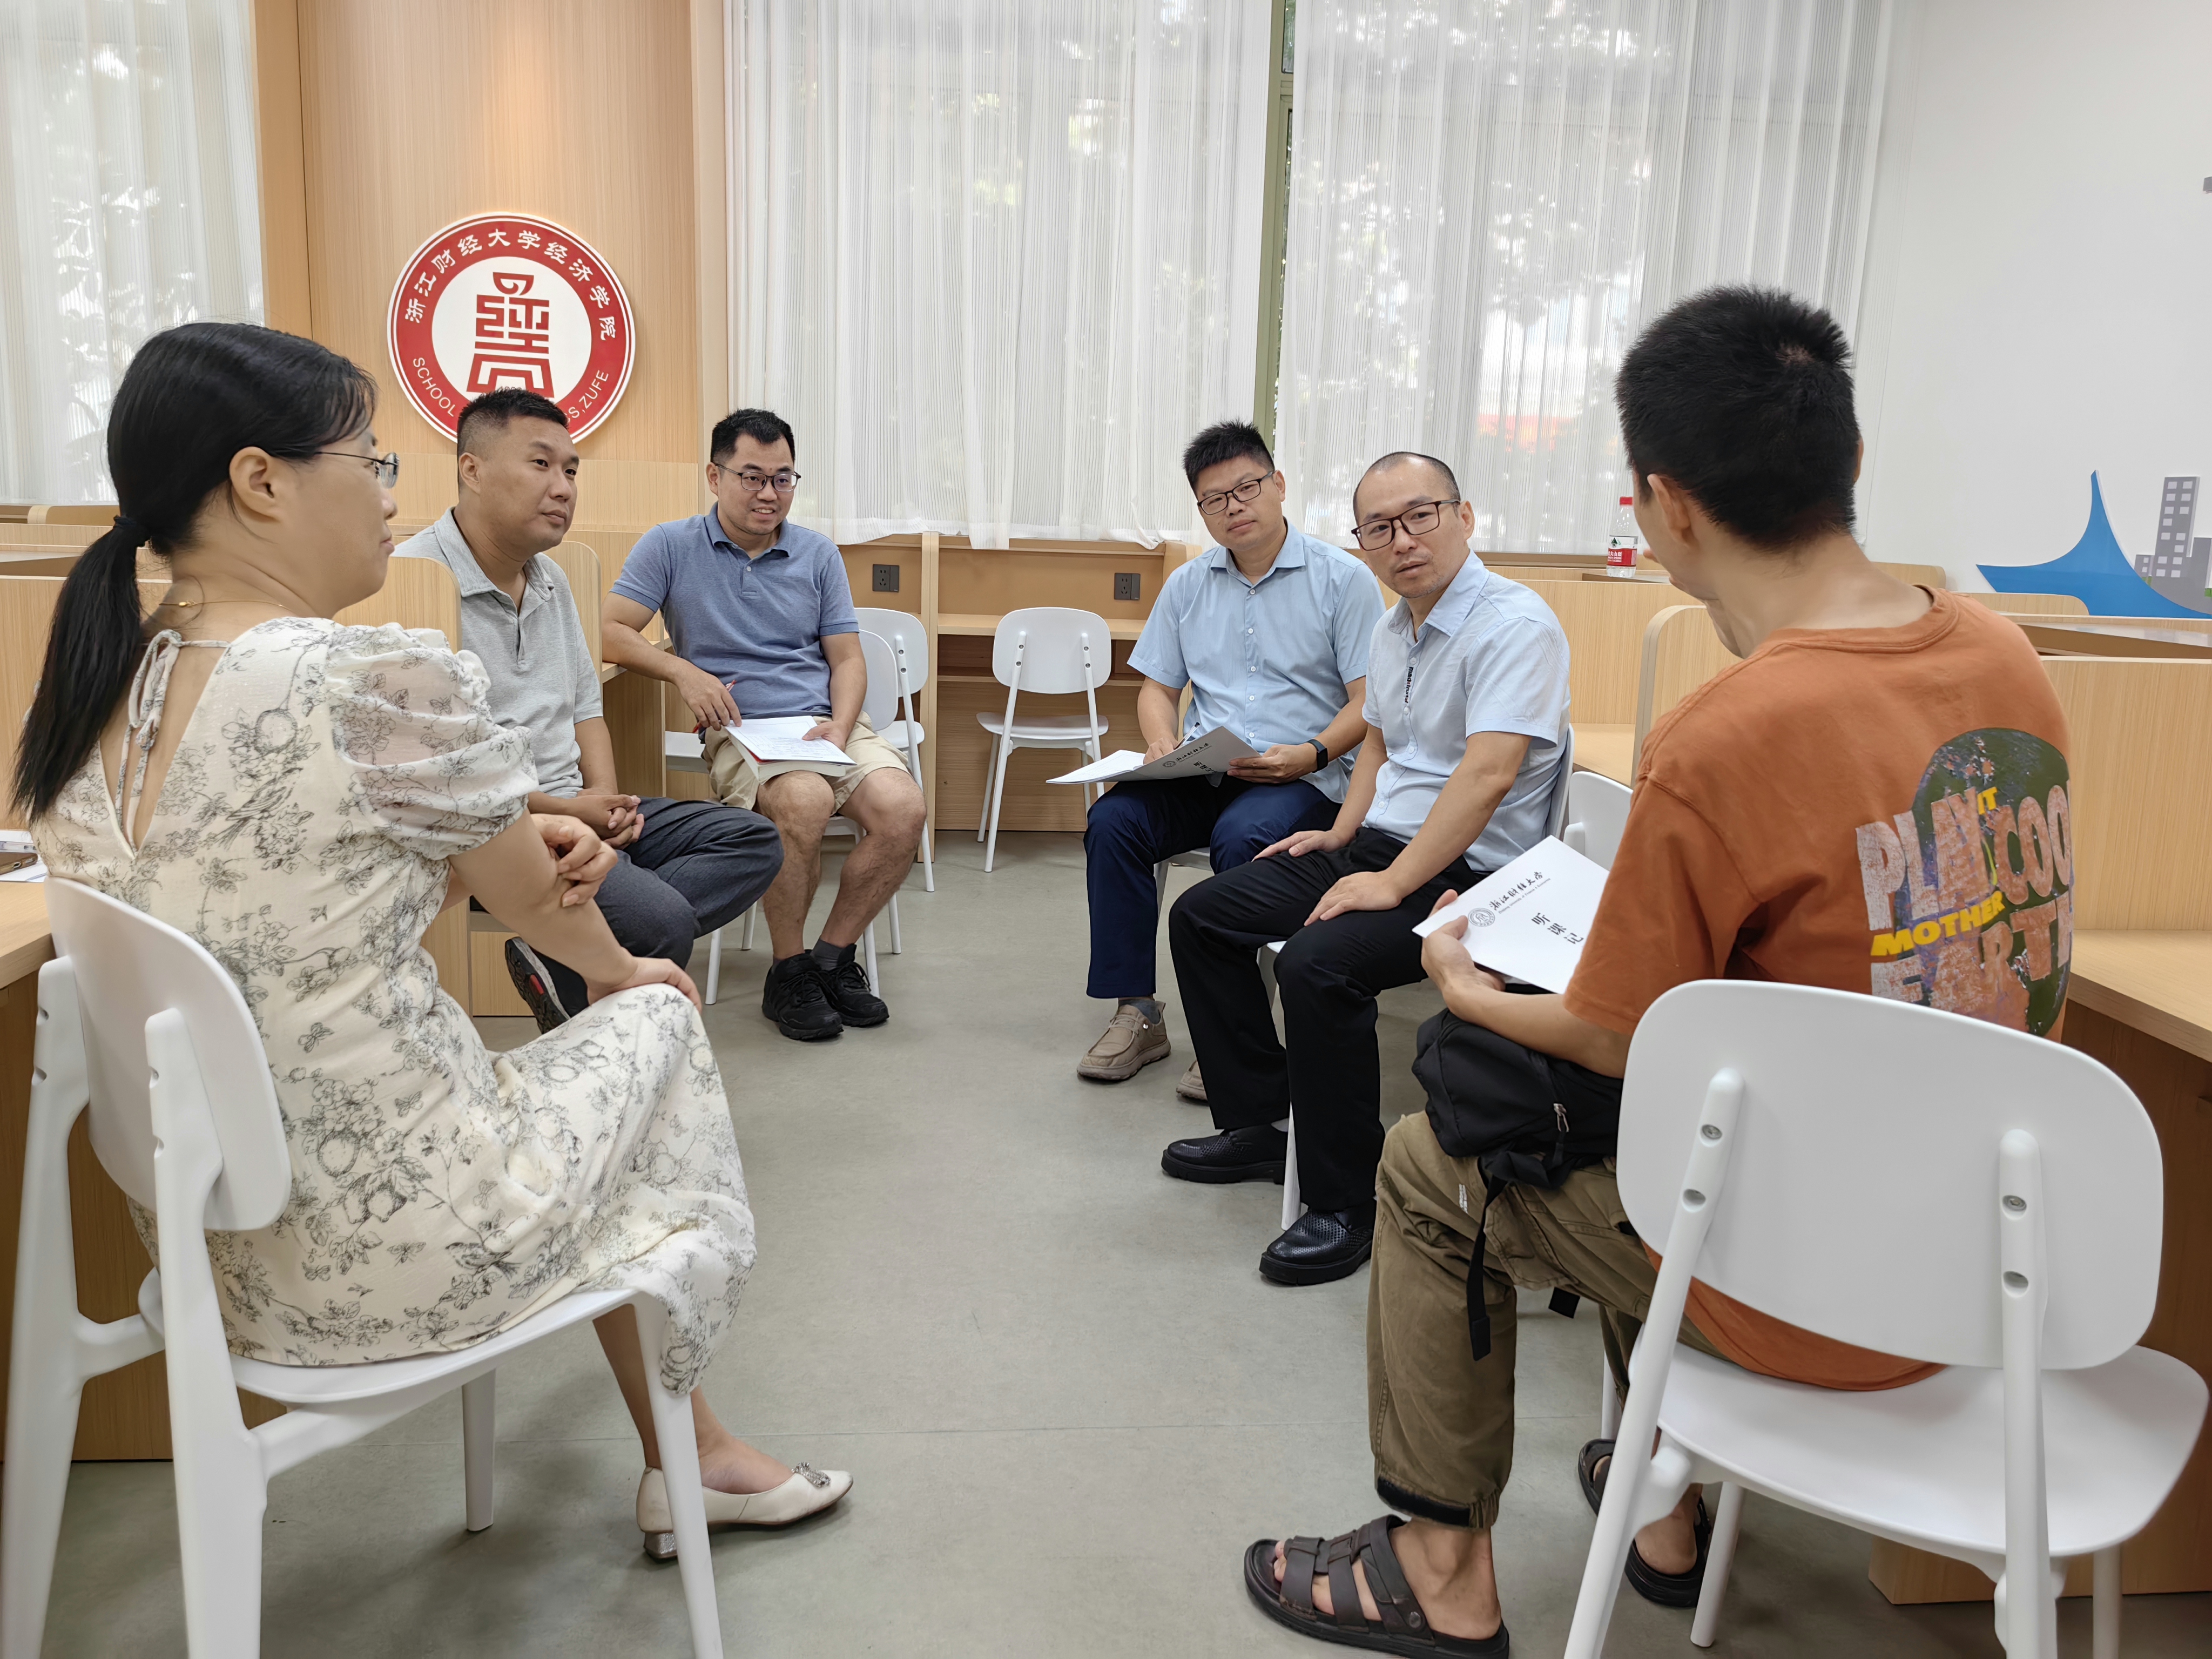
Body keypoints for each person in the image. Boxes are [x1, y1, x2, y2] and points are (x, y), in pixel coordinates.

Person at [1241, 287, 2074, 1655]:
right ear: (1850, 458)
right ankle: (1662, 1512)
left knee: (1432, 1165)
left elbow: (1619, 1035)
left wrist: (1468, 990)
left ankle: (1440, 1569)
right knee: (1663, 1131)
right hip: (2000, 1257)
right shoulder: (2003, 653)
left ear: (1665, 505)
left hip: (1818, 1289)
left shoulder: (1729, 730)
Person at [18, 322, 849, 1561]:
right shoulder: (370, 673)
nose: (385, 496)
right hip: (407, 1248)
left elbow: (311, 882)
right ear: (260, 482)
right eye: (371, 461)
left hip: (215, 1259)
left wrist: (503, 848)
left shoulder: (100, 686)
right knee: (655, 1012)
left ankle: (698, 1446)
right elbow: (545, 906)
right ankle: (694, 1455)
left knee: (602, 1028)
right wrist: (614, 958)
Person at [1163, 454, 1570, 1287]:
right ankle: (1257, 1124)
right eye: (1380, 527)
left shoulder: (1515, 625)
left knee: (1318, 966)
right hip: (1382, 846)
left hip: (1474, 877)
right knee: (1203, 916)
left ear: (1464, 516)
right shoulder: (1394, 628)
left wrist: (1391, 883)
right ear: (1363, 542)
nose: (1403, 540)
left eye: (1421, 516)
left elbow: (1487, 776)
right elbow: (1381, 745)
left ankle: (1345, 1202)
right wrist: (1339, 835)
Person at [396, 388, 784, 1030]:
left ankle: (562, 959)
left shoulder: (553, 578)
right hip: (497, 826)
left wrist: (604, 801)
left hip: (576, 806)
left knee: (752, 839)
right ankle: (595, 1004)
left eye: (571, 470)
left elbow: (586, 708)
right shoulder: (415, 580)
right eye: (541, 464)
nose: (563, 487)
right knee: (660, 921)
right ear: (472, 469)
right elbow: (448, 779)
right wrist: (570, 814)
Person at [602, 409, 928, 1042]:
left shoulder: (817, 552)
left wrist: (840, 726)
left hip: (825, 722)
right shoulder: (670, 545)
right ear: (714, 476)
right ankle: (788, 970)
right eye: (752, 477)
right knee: (803, 802)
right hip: (742, 728)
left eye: (783, 479)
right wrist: (683, 673)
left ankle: (830, 959)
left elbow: (847, 659)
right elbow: (610, 629)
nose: (769, 494)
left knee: (904, 809)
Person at [1078, 421, 1383, 1091]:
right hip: (1205, 767)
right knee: (1114, 822)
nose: (1234, 507)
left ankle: (1231, 1030)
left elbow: (1369, 703)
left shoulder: (1344, 579)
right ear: (1202, 510)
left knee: (1245, 837)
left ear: (1278, 485)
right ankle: (1138, 1012)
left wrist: (1310, 754)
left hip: (1300, 775)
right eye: (1214, 499)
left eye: (1246, 488)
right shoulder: (1187, 584)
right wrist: (1161, 741)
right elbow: (1157, 688)